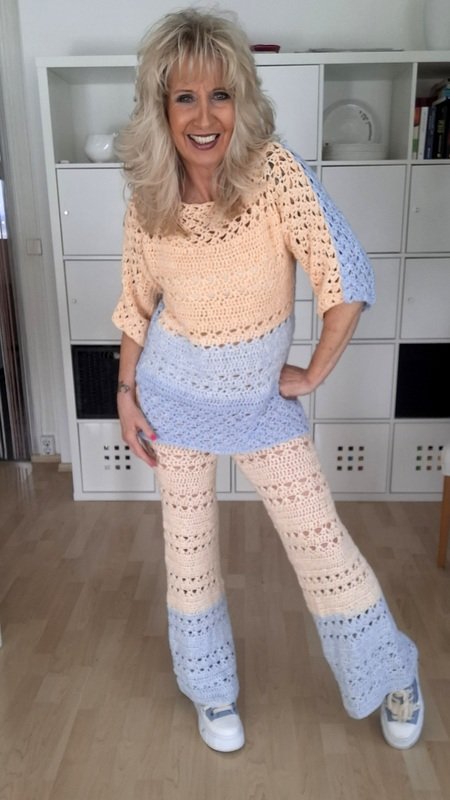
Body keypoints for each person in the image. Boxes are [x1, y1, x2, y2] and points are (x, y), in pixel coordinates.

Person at [112, 8, 423, 753]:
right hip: (170, 399)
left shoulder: (273, 174)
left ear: (242, 100)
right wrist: (125, 395)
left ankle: (392, 672)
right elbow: (135, 307)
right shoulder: (149, 197)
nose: (205, 117)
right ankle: (211, 690)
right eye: (186, 97)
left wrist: (312, 371)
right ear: (161, 108)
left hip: (259, 405)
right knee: (188, 557)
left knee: (321, 545)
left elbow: (344, 276)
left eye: (220, 95)